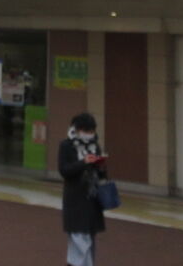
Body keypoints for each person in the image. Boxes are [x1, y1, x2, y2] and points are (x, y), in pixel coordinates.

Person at [58, 112, 107, 266]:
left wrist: (101, 166)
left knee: (89, 240)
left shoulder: (95, 146)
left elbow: (102, 175)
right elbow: (64, 170)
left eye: (91, 131)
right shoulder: (66, 146)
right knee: (78, 240)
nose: (89, 134)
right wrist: (83, 162)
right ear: (77, 129)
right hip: (75, 200)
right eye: (86, 130)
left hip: (92, 201)